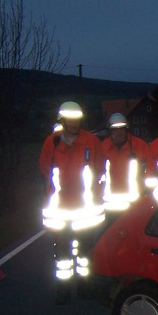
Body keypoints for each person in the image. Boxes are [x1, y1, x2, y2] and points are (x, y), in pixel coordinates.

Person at [39, 101, 105, 303]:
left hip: (85, 210)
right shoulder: (52, 142)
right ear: (63, 120)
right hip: (59, 209)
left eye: (77, 120)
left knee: (84, 253)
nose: (74, 124)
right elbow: (44, 170)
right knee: (62, 254)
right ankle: (63, 290)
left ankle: (84, 287)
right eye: (70, 120)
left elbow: (101, 169)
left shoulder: (91, 141)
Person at [99, 112, 149, 215]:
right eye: (115, 129)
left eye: (121, 129)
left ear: (126, 129)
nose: (119, 132)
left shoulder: (140, 146)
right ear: (110, 131)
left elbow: (150, 171)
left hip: (135, 203)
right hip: (109, 203)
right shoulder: (102, 148)